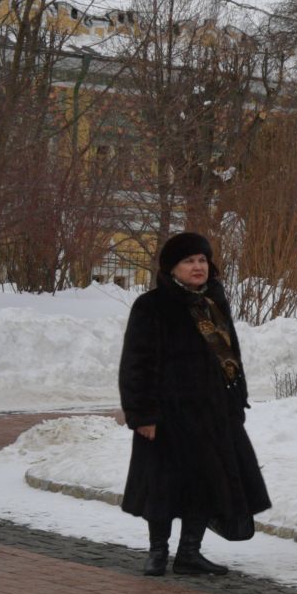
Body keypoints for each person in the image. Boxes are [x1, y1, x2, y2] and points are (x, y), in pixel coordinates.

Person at [117, 232, 271, 576]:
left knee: (205, 482)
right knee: (162, 484)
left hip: (212, 414)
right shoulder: (152, 306)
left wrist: (236, 402)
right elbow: (135, 364)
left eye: (202, 260)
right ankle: (157, 552)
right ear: (172, 268)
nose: (197, 266)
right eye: (189, 261)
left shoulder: (214, 303)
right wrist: (142, 414)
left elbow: (230, 357)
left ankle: (190, 553)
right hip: (166, 415)